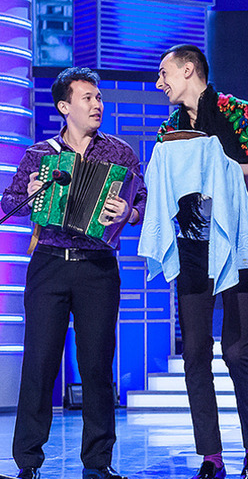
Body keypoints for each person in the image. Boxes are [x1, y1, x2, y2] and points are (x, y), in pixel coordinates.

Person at [1, 67, 146, 479]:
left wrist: (129, 211)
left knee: (97, 366)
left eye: (98, 97)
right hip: (49, 263)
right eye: (87, 98)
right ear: (65, 107)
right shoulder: (40, 154)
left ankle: (98, 462)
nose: (97, 104)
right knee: (40, 363)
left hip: (98, 268)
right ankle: (28, 461)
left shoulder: (120, 152)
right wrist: (30, 194)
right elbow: (8, 201)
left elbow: (142, 199)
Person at [154, 44, 248, 479]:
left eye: (164, 73)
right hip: (192, 245)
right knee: (194, 353)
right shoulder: (170, 130)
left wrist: (204, 170)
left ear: (189, 70)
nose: (159, 83)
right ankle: (211, 455)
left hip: (237, 243)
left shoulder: (237, 113)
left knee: (237, 350)